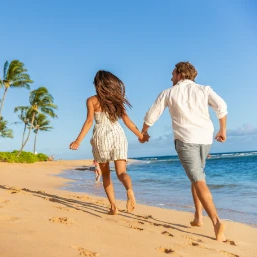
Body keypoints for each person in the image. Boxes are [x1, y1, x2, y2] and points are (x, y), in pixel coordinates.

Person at [140, 62, 227, 241]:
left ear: (180, 74)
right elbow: (221, 106)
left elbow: (152, 114)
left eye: (172, 73)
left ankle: (217, 222)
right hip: (205, 139)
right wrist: (222, 130)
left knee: (198, 179)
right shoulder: (204, 89)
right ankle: (198, 217)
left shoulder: (169, 92)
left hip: (186, 141)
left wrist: (144, 132)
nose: (171, 77)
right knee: (196, 177)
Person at [70, 70, 149, 215]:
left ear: (98, 85)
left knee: (106, 175)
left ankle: (113, 207)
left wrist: (78, 140)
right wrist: (140, 135)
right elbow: (127, 121)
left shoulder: (92, 100)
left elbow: (88, 122)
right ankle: (129, 190)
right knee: (121, 172)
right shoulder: (117, 101)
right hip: (118, 134)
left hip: (101, 136)